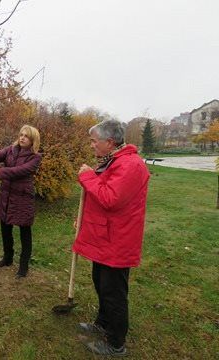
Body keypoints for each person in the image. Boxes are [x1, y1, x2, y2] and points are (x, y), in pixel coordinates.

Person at [73, 120, 150, 356]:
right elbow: (100, 199)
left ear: (110, 142)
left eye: (94, 141)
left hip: (118, 241)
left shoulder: (130, 165)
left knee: (114, 293)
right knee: (101, 283)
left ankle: (116, 343)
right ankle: (103, 323)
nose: (92, 145)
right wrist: (84, 219)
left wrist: (87, 176)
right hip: (105, 238)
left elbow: (110, 198)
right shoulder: (113, 161)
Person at [0, 125, 42, 278]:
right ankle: (8, 258)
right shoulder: (11, 149)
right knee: (5, 228)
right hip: (7, 196)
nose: (22, 137)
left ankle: (23, 267)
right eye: (21, 134)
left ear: (33, 140)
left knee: (25, 232)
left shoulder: (35, 157)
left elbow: (21, 170)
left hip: (23, 198)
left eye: (26, 136)